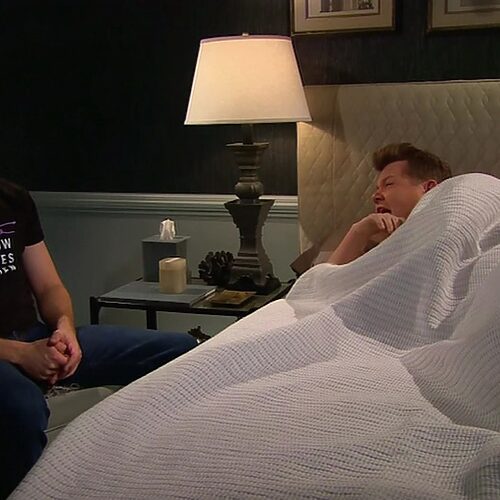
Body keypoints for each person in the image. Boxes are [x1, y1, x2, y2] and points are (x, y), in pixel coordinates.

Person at [0, 178, 198, 499]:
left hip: (37, 338)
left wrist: (64, 328)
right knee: (22, 408)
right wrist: (22, 354)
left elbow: (50, 287)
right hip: (7, 354)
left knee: (182, 352)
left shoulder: (12, 198)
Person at [291, 143, 452, 274]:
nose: (375, 196)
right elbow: (321, 290)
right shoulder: (369, 243)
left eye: (388, 184)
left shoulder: (451, 240)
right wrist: (359, 232)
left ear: (429, 189)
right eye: (377, 188)